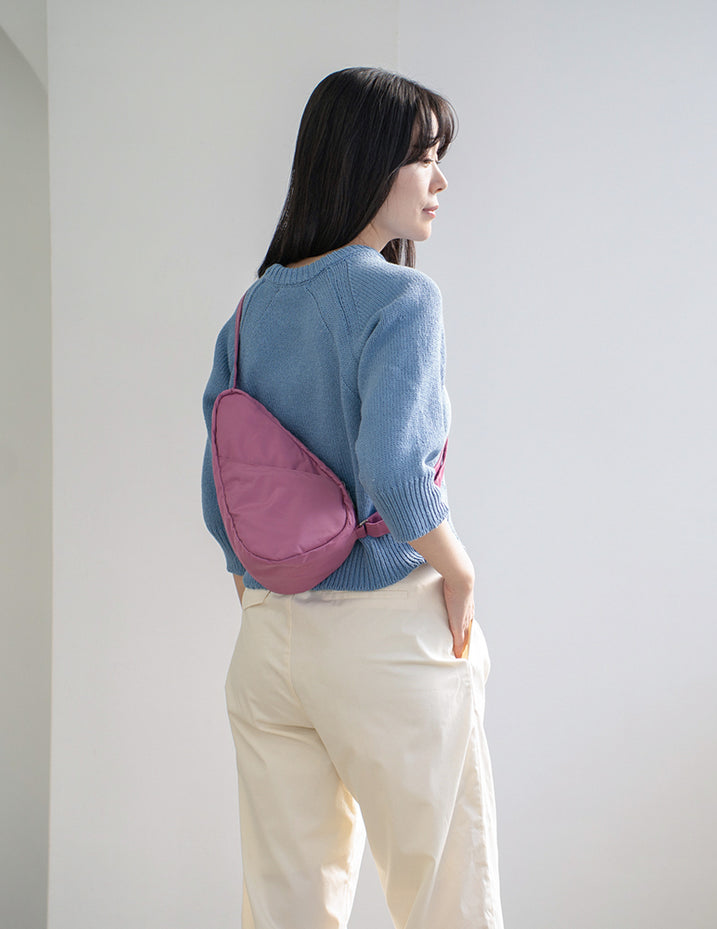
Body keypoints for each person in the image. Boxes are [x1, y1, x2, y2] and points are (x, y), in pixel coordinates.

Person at [201, 67, 503, 929]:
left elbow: (219, 487)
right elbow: (396, 471)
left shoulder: (252, 311)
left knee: (287, 909)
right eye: (424, 157)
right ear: (367, 163)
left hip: (270, 642)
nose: (440, 180)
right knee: (446, 903)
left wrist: (260, 588)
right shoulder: (401, 296)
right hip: (387, 634)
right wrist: (460, 572)